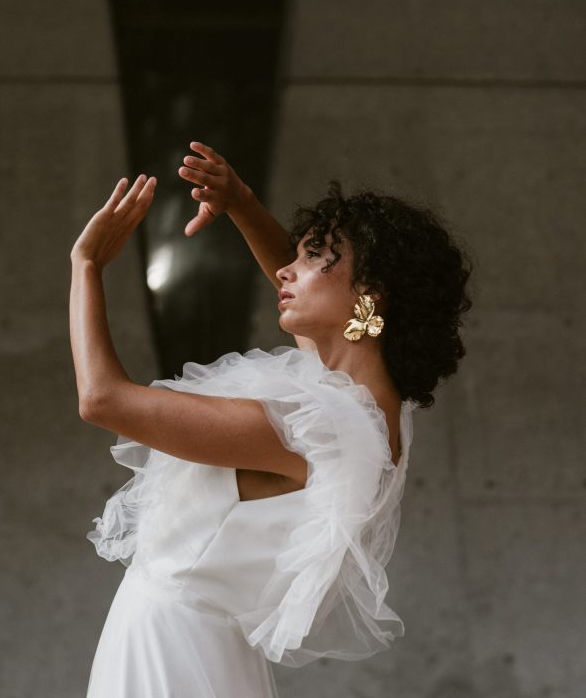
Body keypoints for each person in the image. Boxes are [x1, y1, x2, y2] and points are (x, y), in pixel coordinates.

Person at [69, 142, 473, 697]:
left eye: (313, 258)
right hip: (206, 654)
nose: (286, 269)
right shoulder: (373, 408)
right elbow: (314, 306)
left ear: (367, 299)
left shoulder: (320, 427)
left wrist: (86, 266)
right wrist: (240, 202)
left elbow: (102, 401)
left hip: (169, 656)